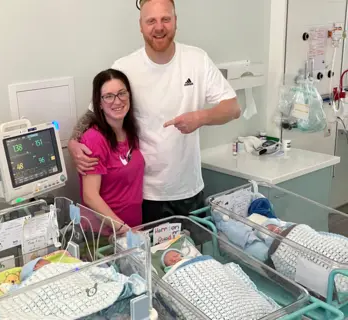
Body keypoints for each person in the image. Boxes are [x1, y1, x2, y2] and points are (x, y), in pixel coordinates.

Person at [68, 0, 241, 225]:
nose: (159, 27)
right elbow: (95, 113)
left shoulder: (197, 60)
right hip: (146, 194)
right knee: (155, 257)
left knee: (193, 258)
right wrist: (73, 142)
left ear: (175, 22)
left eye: (165, 19)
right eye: (151, 21)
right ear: (141, 26)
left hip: (188, 189)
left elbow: (233, 108)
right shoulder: (126, 66)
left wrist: (200, 117)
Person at [79, 68, 144, 232]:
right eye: (108, 96)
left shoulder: (130, 132)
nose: (117, 101)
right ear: (98, 103)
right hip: (105, 234)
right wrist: (124, 229)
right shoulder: (94, 139)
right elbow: (90, 196)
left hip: (133, 228)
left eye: (122, 93)